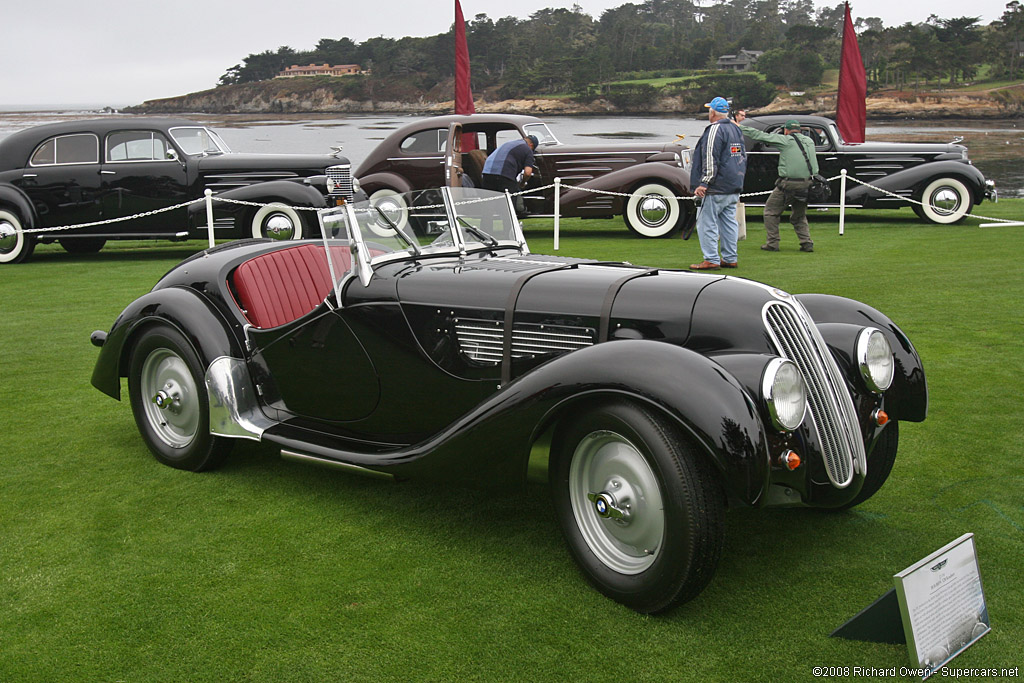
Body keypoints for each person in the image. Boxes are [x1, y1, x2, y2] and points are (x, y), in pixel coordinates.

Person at [735, 113, 816, 252]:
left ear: (786, 130)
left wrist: (739, 126)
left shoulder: (785, 140)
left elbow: (760, 135)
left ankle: (773, 243)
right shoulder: (810, 142)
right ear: (800, 130)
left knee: (770, 212)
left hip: (789, 184)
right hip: (807, 184)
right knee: (799, 215)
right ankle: (806, 242)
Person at [689, 96, 747, 270]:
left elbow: (710, 158)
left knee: (707, 223)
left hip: (716, 186)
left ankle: (711, 258)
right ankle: (730, 257)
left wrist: (704, 183)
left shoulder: (715, 130)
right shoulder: (736, 129)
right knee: (728, 221)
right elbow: (741, 157)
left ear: (713, 112)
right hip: (733, 183)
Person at [482, 135, 539, 215]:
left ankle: (485, 227)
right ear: (531, 145)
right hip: (505, 174)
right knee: (509, 206)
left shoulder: (509, 143)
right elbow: (528, 172)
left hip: (487, 172)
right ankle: (508, 227)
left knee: (488, 207)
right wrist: (522, 183)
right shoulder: (528, 150)